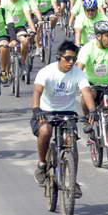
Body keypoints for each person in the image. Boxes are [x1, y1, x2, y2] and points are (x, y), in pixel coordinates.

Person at [31, 41, 96, 198]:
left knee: (71, 141)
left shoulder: (78, 73)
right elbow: (37, 92)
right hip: (45, 111)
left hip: (67, 113)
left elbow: (86, 92)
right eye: (67, 58)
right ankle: (42, 164)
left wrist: (92, 110)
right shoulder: (46, 72)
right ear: (59, 57)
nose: (71, 62)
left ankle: (72, 181)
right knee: (45, 131)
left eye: (74, 59)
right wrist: (36, 109)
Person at [1, 0, 37, 67]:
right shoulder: (3, 2)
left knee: (25, 41)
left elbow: (28, 17)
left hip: (18, 28)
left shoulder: (23, 3)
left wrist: (33, 30)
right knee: (4, 48)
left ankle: (22, 62)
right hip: (5, 28)